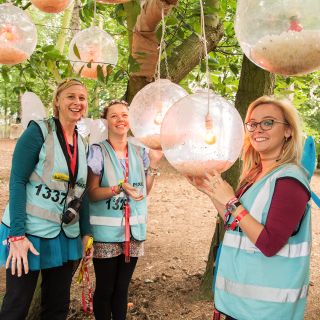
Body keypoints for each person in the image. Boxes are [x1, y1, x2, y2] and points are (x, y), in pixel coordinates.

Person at [187, 96, 311, 320]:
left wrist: (232, 202)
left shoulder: (290, 181)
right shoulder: (255, 175)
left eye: (268, 122)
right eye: (252, 124)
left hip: (266, 310)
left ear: (288, 131)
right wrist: (209, 190)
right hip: (240, 303)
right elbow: (235, 222)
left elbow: (269, 243)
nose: (257, 129)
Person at [0, 78, 93, 320]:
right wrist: (17, 235)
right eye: (71, 96)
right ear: (57, 101)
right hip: (28, 233)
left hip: (64, 236)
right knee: (16, 306)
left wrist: (87, 233)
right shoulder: (38, 132)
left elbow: (81, 192)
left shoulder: (83, 144)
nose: (77, 102)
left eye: (82, 98)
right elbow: (17, 181)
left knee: (56, 307)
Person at [87, 100, 163, 320]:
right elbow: (92, 192)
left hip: (134, 232)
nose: (120, 120)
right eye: (114, 116)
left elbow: (144, 191)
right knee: (105, 290)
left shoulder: (140, 152)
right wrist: (118, 188)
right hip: (106, 234)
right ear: (106, 121)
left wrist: (155, 165)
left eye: (125, 115)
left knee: (122, 290)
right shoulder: (98, 151)